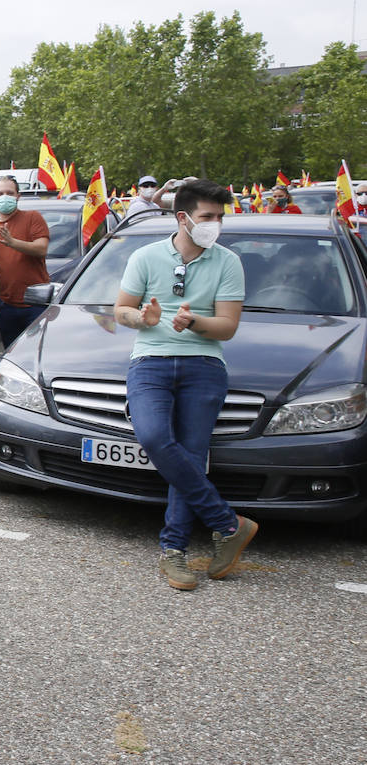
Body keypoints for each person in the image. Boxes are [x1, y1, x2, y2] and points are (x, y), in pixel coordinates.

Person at [112, 179, 257, 591]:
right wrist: (144, 319)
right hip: (150, 362)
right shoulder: (145, 256)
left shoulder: (227, 262)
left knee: (191, 457)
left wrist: (193, 321)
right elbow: (121, 310)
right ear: (183, 217)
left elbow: (227, 327)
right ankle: (228, 524)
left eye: (219, 217)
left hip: (204, 364)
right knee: (155, 437)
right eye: (208, 216)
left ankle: (173, 552)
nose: (216, 224)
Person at [0, 176, 51, 346]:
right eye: (0, 193)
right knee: (11, 354)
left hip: (35, 305)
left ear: (18, 196)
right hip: (7, 305)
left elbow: (41, 248)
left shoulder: (32, 218)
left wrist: (13, 243)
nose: (4, 197)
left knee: (36, 352)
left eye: (9, 193)